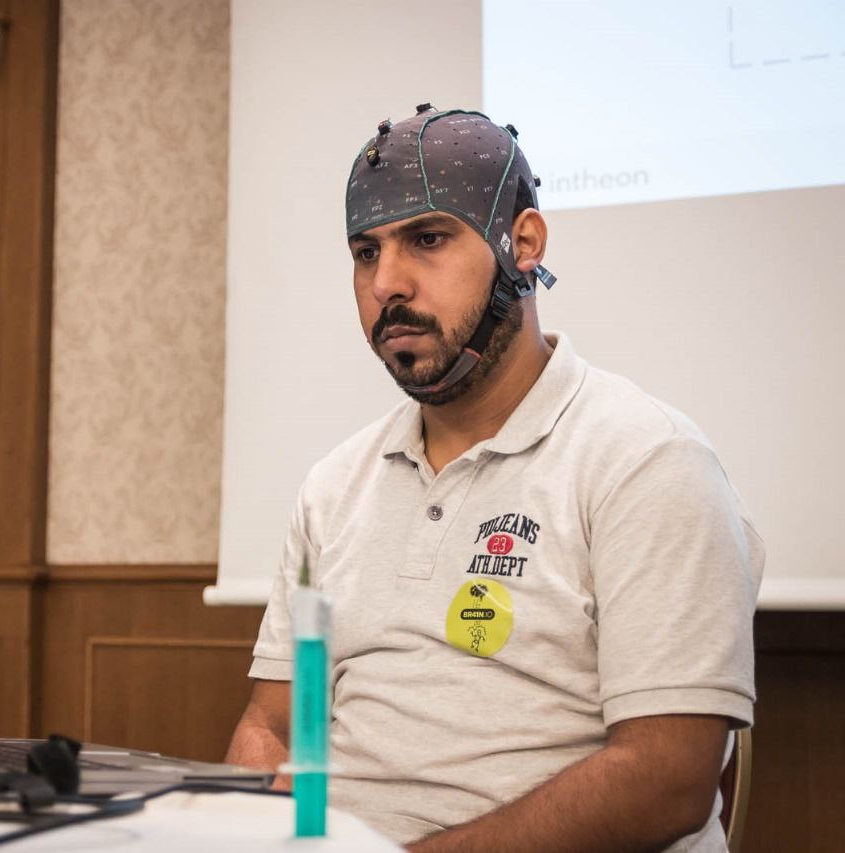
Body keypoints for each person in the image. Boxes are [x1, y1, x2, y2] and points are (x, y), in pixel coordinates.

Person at [224, 105, 763, 851]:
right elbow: (276, 725)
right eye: (365, 252)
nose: (386, 283)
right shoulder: (332, 487)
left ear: (525, 244)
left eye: (428, 239)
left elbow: (667, 779)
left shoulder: (648, 460)